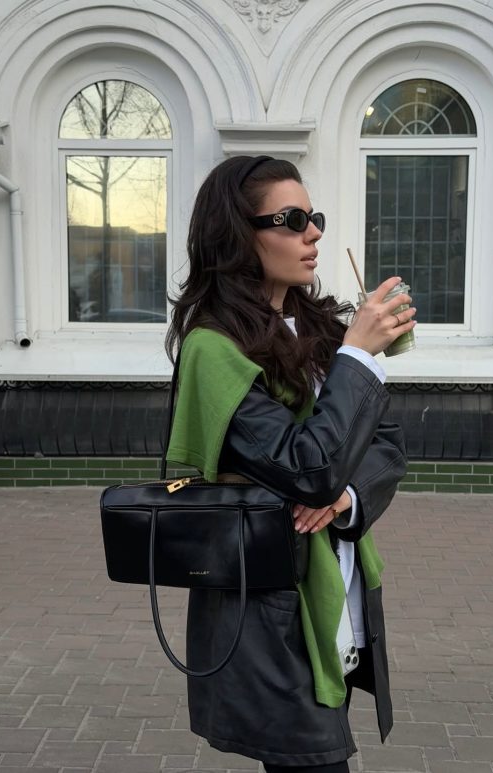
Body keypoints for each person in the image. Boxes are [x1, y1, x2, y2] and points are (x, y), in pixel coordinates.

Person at [164, 155, 416, 772]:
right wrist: (358, 358)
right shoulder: (213, 348)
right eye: (292, 220)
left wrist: (346, 498)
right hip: (270, 610)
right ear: (237, 234)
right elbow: (308, 468)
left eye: (314, 217)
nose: (314, 233)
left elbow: (385, 444)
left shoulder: (320, 328)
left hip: (334, 591)